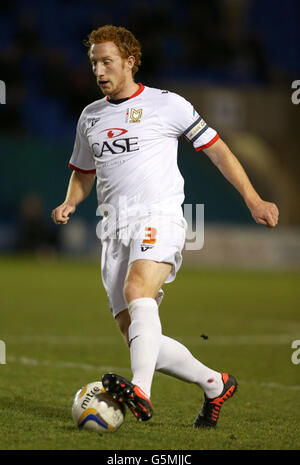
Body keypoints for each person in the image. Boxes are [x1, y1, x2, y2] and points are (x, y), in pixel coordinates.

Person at [51, 25, 279, 428]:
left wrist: (253, 198)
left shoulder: (167, 104)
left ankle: (141, 390)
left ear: (130, 62)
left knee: (137, 289)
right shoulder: (90, 116)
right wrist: (71, 201)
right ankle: (214, 382)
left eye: (107, 62)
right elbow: (84, 171)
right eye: (94, 63)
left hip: (159, 217)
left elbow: (218, 150)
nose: (99, 70)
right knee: (135, 332)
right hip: (113, 230)